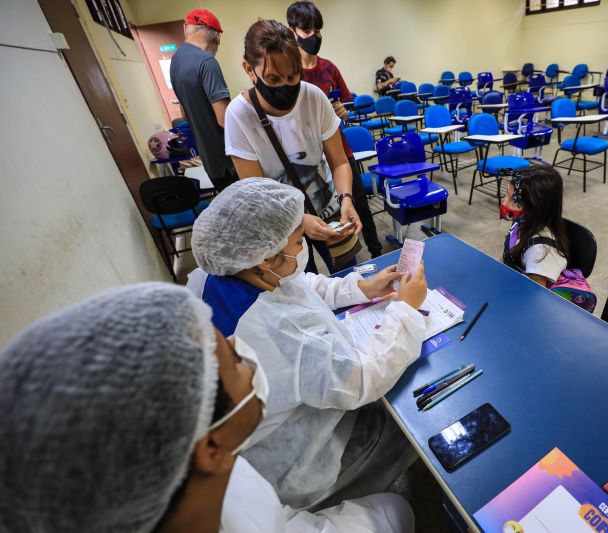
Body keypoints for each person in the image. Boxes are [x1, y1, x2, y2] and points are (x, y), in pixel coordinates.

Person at [0, 283, 415, 532]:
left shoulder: (178, 477)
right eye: (234, 361)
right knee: (397, 508)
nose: (244, 351)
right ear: (210, 447)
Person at [187, 178, 428, 510]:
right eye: (299, 240)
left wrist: (362, 288)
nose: (303, 249)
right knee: (413, 425)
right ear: (264, 258)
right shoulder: (275, 331)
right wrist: (405, 310)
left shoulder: (219, 270)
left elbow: (297, 286)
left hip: (269, 428)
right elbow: (359, 381)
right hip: (301, 460)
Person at [225, 19, 360, 274]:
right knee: (301, 286)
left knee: (350, 276)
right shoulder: (239, 115)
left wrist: (346, 199)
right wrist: (298, 221)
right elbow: (256, 194)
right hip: (280, 220)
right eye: (272, 79)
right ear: (249, 69)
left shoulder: (313, 97)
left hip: (329, 205)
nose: (285, 87)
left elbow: (339, 162)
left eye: (292, 76)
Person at [287, 1, 383, 258]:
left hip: (339, 148)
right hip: (308, 155)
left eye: (318, 30)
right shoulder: (289, 71)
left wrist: (343, 110)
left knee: (359, 203)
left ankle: (377, 252)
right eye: (308, 30)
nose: (314, 36)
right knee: (319, 212)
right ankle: (336, 263)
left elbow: (347, 104)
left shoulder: (328, 67)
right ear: (293, 29)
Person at [170, 9, 237, 191]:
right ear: (216, 37)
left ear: (186, 29)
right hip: (228, 162)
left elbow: (185, 114)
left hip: (210, 161)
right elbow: (224, 120)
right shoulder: (207, 62)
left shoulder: (175, 61)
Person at [501, 165, 569, 287]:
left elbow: (534, 296)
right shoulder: (522, 221)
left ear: (536, 208)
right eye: (507, 195)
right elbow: (507, 255)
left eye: (514, 202)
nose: (505, 203)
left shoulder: (539, 250)